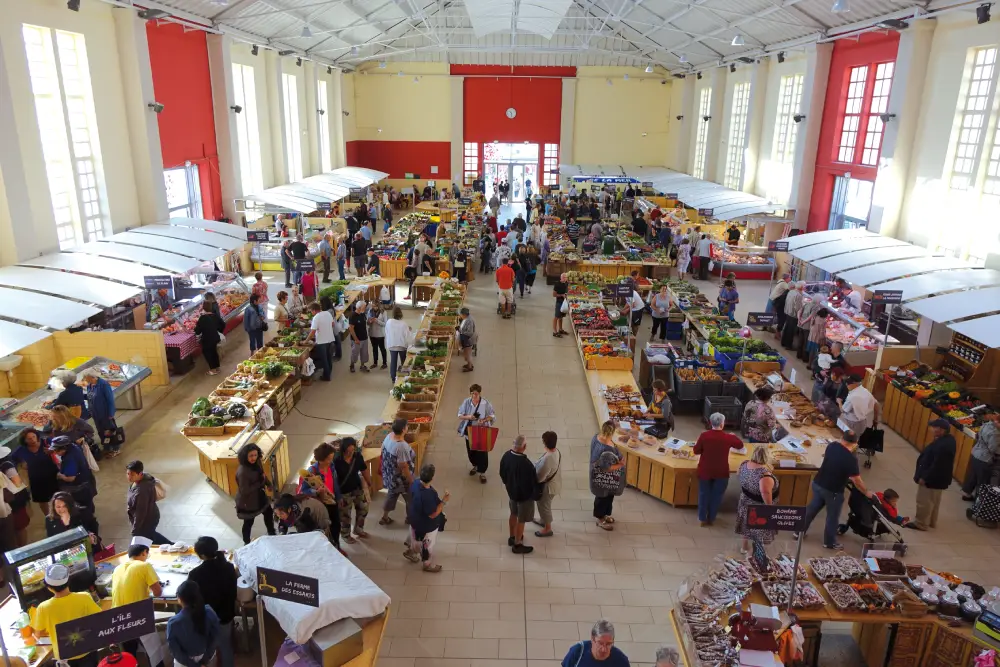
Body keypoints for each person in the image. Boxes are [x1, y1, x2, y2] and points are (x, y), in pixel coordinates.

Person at [801, 432, 872, 550]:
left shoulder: (832, 446)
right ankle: (829, 542)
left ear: (842, 438)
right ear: (855, 444)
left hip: (818, 483)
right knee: (832, 517)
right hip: (833, 490)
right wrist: (866, 492)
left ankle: (799, 531)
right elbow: (857, 480)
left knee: (812, 508)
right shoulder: (851, 459)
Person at [31, 564, 102, 667]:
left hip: (65, 659)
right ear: (68, 581)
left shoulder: (43, 607)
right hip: (88, 652)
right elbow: (99, 618)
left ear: (49, 587)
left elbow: (37, 634)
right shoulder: (84, 597)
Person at [188, 536, 238, 667]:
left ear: (201, 555)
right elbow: (233, 590)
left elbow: (192, 598)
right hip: (226, 615)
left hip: (206, 618)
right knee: (226, 646)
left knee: (207, 648)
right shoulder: (228, 567)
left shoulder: (195, 574)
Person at [693, 413, 743, 526]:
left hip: (705, 470)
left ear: (710, 423)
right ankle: (711, 518)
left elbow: (696, 451)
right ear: (722, 423)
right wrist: (733, 436)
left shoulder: (704, 436)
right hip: (721, 471)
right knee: (717, 495)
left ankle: (702, 518)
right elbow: (740, 445)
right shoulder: (728, 437)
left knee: (703, 494)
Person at [911, 419, 956, 531]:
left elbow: (936, 465)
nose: (932, 429)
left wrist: (925, 477)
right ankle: (931, 521)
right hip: (939, 480)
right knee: (934, 501)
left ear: (941, 430)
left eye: (934, 427)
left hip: (932, 479)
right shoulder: (949, 440)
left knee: (924, 501)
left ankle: (921, 523)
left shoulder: (942, 445)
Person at [296, 442, 342, 547]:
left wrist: (339, 497)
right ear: (321, 459)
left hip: (332, 500)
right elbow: (303, 490)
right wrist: (316, 492)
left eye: (332, 458)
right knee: (323, 527)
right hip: (320, 504)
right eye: (329, 459)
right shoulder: (312, 471)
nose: (331, 461)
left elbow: (335, 483)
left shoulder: (332, 467)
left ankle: (336, 545)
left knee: (336, 525)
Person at [405, 463, 449, 571]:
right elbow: (433, 514)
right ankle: (427, 564)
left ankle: (411, 551)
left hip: (414, 518)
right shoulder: (427, 495)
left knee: (415, 537)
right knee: (427, 545)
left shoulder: (415, 483)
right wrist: (444, 501)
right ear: (432, 477)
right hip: (426, 526)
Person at [499, 435, 538, 554]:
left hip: (512, 493)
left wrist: (509, 485)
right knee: (522, 519)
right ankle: (518, 544)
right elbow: (533, 482)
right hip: (524, 497)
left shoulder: (506, 456)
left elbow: (502, 473)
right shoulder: (526, 464)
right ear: (524, 447)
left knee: (513, 513)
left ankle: (512, 537)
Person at [168, 580, 221, 667]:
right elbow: (214, 639)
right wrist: (204, 661)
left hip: (185, 664)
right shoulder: (210, 612)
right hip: (207, 660)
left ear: (180, 599)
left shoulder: (173, 623)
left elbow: (175, 651)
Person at [736, 445, 779, 552]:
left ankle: (744, 547)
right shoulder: (764, 475)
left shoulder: (744, 464)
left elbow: (738, 475)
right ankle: (758, 551)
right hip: (758, 505)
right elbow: (765, 492)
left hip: (745, 500)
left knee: (746, 525)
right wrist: (769, 507)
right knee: (759, 529)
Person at [235, 443, 275, 544]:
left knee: (268, 513)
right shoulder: (243, 472)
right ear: (245, 456)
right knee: (248, 522)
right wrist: (260, 483)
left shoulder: (257, 462)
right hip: (248, 502)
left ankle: (271, 532)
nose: (254, 458)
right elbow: (244, 491)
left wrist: (268, 484)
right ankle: (246, 542)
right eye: (251, 456)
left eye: (255, 455)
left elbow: (262, 475)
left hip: (259, 496)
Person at [13, 429, 59, 516]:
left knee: (57, 497)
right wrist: (21, 462)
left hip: (52, 476)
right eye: (29, 438)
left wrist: (52, 450)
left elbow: (60, 450)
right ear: (24, 440)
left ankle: (60, 515)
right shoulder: (22, 449)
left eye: (34, 437)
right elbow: (13, 458)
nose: (33, 440)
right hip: (36, 479)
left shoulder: (46, 442)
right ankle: (49, 518)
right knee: (42, 501)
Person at [590, 421, 626, 531]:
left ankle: (606, 514)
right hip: (604, 478)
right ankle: (600, 519)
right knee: (602, 497)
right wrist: (620, 464)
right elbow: (606, 468)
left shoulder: (596, 437)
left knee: (609, 496)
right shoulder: (604, 448)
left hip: (605, 478)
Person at [379, 419, 415, 525]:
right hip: (401, 479)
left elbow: (382, 450)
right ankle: (410, 518)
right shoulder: (401, 446)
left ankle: (384, 517)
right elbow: (403, 466)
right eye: (407, 426)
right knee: (410, 498)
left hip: (390, 475)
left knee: (391, 495)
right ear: (404, 429)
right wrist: (411, 480)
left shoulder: (389, 436)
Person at [335, 437, 371, 544]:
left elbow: (363, 469)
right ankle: (345, 534)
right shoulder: (337, 460)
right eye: (348, 451)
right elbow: (334, 479)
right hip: (344, 492)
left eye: (352, 450)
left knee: (364, 509)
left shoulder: (357, 456)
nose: (350, 453)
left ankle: (358, 529)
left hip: (357, 488)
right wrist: (337, 496)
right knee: (345, 515)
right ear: (343, 450)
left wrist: (369, 482)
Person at [457, 384, 496, 483]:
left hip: (481, 431)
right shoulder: (466, 402)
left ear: (480, 393)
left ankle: (482, 472)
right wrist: (470, 417)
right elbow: (460, 415)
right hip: (469, 431)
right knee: (471, 451)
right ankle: (475, 465)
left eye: (476, 394)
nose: (474, 396)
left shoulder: (485, 403)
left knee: (482, 452)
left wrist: (484, 420)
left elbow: (492, 415)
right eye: (472, 394)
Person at [126, 460, 171, 544]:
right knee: (149, 536)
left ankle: (172, 546)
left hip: (147, 519)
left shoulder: (142, 491)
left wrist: (135, 530)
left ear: (139, 474)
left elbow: (141, 512)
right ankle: (171, 545)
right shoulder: (140, 479)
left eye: (132, 474)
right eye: (128, 474)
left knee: (148, 537)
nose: (129, 477)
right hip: (150, 514)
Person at [49, 435, 95, 515]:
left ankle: (88, 521)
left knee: (82, 508)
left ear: (64, 448)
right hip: (87, 480)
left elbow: (71, 478)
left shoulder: (69, 458)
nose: (55, 452)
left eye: (56, 450)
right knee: (88, 504)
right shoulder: (74, 447)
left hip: (79, 487)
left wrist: (60, 475)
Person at [111, 541, 162, 609]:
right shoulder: (145, 565)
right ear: (144, 553)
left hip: (116, 614)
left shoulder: (117, 568)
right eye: (147, 555)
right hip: (135, 613)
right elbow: (158, 593)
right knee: (160, 606)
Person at [81, 369, 119, 457]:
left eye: (86, 377)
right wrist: (81, 396)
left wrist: (110, 413)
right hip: (95, 413)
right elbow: (90, 396)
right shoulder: (90, 385)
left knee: (110, 431)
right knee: (101, 431)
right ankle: (107, 447)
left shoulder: (103, 384)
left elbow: (110, 400)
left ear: (91, 377)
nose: (85, 379)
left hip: (105, 413)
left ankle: (116, 448)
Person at [560, 619, 630, 667]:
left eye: (608, 644)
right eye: (600, 643)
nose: (604, 649)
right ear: (592, 639)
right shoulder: (577, 652)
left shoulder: (621, 661)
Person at [963, 411, 999, 501]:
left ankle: (967, 494)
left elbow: (977, 436)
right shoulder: (996, 433)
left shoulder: (986, 425)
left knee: (973, 476)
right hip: (985, 458)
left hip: (976, 453)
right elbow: (993, 448)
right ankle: (978, 501)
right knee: (982, 481)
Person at [533, 431, 561, 538]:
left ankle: (547, 528)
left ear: (545, 442)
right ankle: (542, 520)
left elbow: (540, 477)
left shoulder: (548, 458)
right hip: (555, 482)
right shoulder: (556, 451)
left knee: (545, 506)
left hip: (548, 488)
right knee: (543, 505)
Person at [194, 302, 225, 375]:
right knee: (214, 352)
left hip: (207, 339)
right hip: (215, 337)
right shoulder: (215, 316)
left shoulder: (202, 318)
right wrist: (218, 330)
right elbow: (223, 324)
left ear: (203, 308)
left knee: (208, 353)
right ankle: (217, 368)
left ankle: (213, 370)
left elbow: (197, 331)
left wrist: (196, 328)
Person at [307, 302, 335, 382]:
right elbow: (332, 324)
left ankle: (326, 377)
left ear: (314, 310)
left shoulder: (316, 317)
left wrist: (306, 341)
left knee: (324, 360)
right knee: (329, 358)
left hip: (321, 342)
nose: (311, 313)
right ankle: (329, 373)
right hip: (330, 339)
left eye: (311, 311)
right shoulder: (328, 313)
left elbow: (312, 332)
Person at [385, 306, 412, 383]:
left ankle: (393, 377)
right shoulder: (403, 324)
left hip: (392, 344)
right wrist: (409, 330)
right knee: (404, 360)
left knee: (393, 361)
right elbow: (407, 335)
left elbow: (386, 332)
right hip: (401, 345)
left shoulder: (389, 322)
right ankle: (405, 375)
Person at [781, 282, 804, 350]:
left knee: (787, 328)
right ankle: (788, 345)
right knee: (791, 331)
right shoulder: (799, 295)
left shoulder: (791, 291)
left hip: (788, 312)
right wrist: (800, 316)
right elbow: (797, 307)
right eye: (804, 286)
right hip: (793, 315)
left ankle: (783, 342)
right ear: (801, 287)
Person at [349, 300, 371, 373]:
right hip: (356, 339)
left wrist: (369, 321)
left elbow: (365, 323)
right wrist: (356, 339)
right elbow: (351, 329)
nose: (365, 308)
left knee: (364, 353)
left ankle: (362, 365)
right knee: (354, 353)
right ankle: (352, 365)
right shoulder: (353, 316)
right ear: (359, 307)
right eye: (364, 307)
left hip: (364, 337)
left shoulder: (362, 314)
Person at [367, 302, 388, 370]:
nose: (374, 308)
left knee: (382, 349)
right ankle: (375, 363)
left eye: (375, 306)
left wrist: (377, 320)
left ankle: (384, 363)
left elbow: (385, 323)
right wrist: (369, 321)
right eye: (373, 306)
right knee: (374, 349)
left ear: (378, 306)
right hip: (372, 333)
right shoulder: (370, 311)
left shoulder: (383, 312)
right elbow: (367, 322)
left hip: (380, 334)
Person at [553, 272, 569, 337]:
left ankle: (560, 329)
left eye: (566, 277)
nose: (565, 279)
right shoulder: (557, 284)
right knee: (556, 317)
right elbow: (554, 295)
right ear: (561, 278)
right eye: (564, 277)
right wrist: (561, 295)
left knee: (561, 316)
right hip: (559, 302)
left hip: (564, 302)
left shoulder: (566, 283)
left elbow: (566, 291)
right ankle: (554, 332)